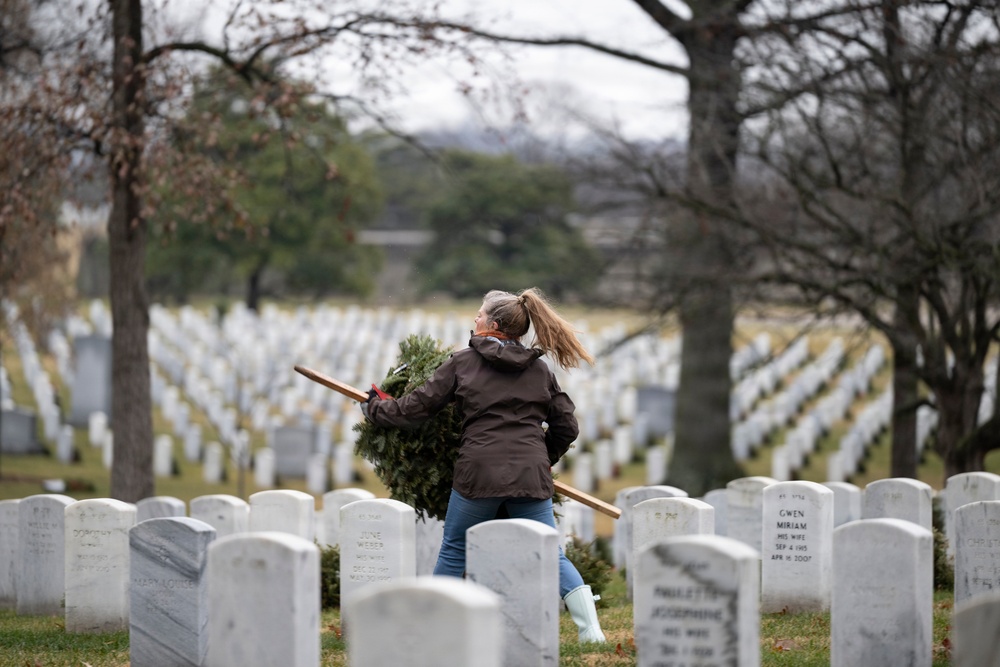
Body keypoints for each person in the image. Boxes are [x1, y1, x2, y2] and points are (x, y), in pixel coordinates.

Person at [361, 287, 606, 643]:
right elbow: (567, 426)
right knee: (550, 553)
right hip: (530, 475)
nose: (473, 319)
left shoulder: (462, 363)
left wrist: (374, 409)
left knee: (456, 548)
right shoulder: (539, 370)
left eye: (478, 314)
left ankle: (430, 628)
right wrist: (540, 458)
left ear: (492, 324)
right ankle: (591, 631)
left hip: (477, 474)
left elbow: (415, 408)